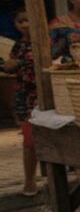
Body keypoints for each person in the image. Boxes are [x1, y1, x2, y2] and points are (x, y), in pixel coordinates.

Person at [5, 11, 39, 196]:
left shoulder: (46, 40)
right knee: (29, 137)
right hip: (26, 93)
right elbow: (11, 66)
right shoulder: (18, 45)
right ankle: (30, 181)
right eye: (21, 21)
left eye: (28, 20)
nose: (25, 25)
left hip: (45, 91)